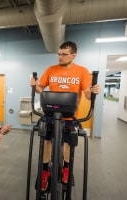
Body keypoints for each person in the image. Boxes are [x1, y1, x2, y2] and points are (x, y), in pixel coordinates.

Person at [30, 41, 100, 191]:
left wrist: (93, 91)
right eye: (59, 54)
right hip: (51, 112)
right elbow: (40, 88)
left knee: (68, 142)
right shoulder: (51, 69)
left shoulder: (82, 71)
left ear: (73, 55)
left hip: (70, 116)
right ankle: (44, 171)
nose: (59, 57)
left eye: (64, 54)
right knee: (47, 139)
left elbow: (87, 94)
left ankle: (67, 169)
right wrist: (34, 84)